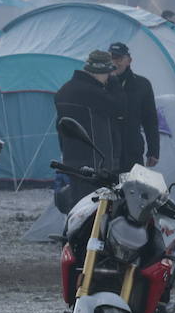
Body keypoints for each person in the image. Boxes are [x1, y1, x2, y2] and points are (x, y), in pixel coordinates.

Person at [53, 50, 123, 208]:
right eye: (107, 74)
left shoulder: (64, 90)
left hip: (71, 158)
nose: (107, 78)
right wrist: (115, 83)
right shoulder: (92, 92)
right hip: (95, 161)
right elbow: (120, 108)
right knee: (94, 208)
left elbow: (60, 126)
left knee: (77, 206)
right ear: (100, 72)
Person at [109, 41, 159, 171]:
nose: (114, 63)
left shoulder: (142, 84)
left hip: (132, 149)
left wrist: (153, 150)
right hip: (107, 149)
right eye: (111, 58)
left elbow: (150, 120)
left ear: (129, 60)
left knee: (131, 189)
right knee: (107, 190)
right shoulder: (101, 83)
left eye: (119, 58)